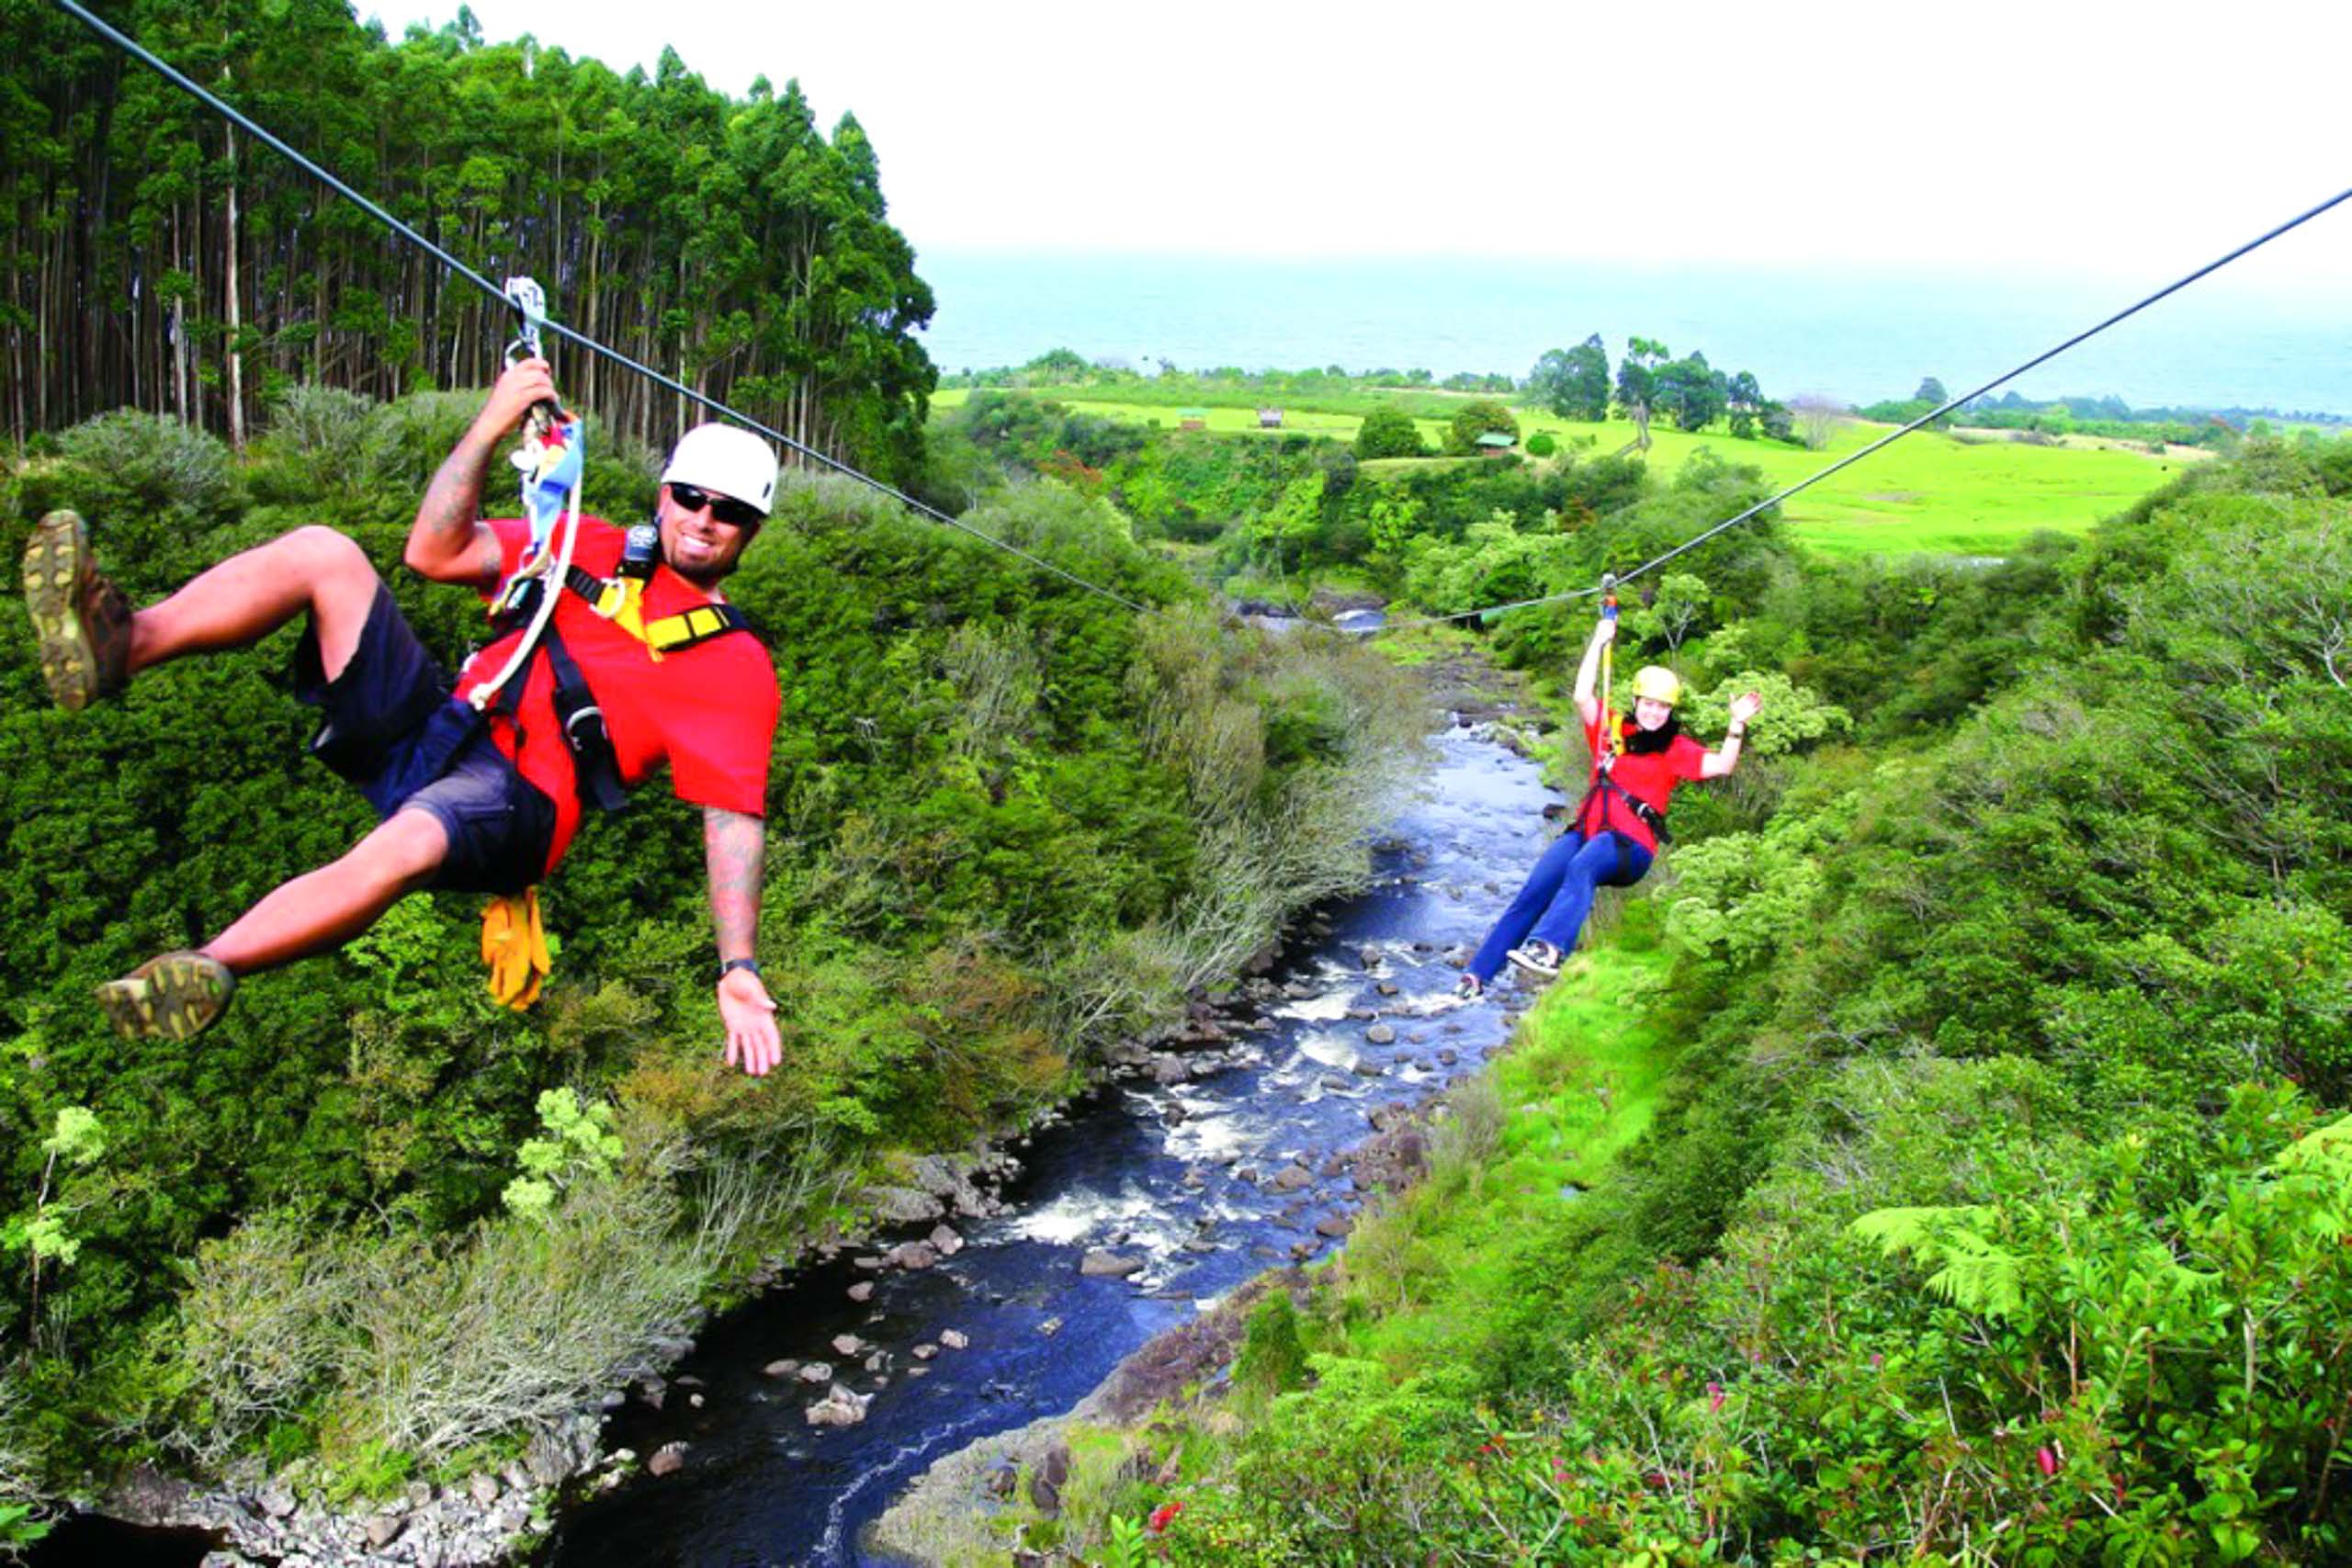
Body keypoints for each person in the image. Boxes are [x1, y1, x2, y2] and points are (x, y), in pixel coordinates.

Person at [21, 357, 786, 1074]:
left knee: (406, 842)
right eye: (691, 496)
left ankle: (211, 967)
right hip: (447, 724)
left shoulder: (735, 664)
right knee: (323, 553)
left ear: (750, 531)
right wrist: (489, 426)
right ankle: (124, 643)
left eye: (730, 512)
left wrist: (739, 967)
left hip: (526, 799)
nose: (703, 519)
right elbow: (435, 551)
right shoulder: (587, 542)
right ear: (665, 492)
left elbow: (731, 822)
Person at [1458, 610, 1761, 997]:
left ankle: (1551, 948)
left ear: (1670, 711)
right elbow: (1582, 695)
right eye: (1648, 704)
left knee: (1585, 863)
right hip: (1587, 833)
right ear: (1636, 701)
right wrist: (1599, 641)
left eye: (1662, 707)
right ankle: (1477, 975)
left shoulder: (1673, 747)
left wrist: (1736, 726)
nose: (1654, 712)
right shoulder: (1611, 730)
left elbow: (1721, 764)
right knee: (1534, 890)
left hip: (1630, 850)